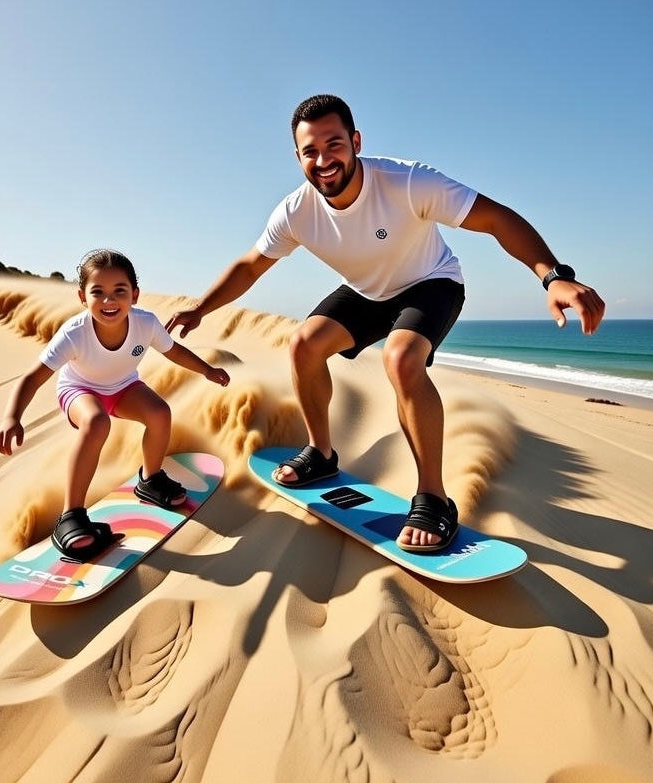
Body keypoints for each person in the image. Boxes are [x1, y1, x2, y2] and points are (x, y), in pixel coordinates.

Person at [167, 94, 605, 553]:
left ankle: (434, 498)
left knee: (400, 360)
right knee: (303, 345)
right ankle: (321, 453)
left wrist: (553, 277)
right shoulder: (296, 211)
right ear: (297, 158)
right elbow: (251, 265)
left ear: (355, 141)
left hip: (429, 283)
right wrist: (201, 308)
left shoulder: (407, 182)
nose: (323, 160)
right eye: (309, 151)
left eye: (333, 144)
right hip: (365, 292)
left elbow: (496, 218)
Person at [0, 248, 230, 561]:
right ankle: (71, 516)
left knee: (160, 413)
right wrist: (12, 416)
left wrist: (207, 369)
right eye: (98, 292)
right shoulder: (75, 334)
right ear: (82, 297)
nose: (109, 301)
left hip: (122, 387)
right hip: (78, 389)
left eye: (119, 291)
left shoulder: (145, 324)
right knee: (96, 423)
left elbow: (173, 352)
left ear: (134, 294)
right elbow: (33, 378)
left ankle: (151, 479)